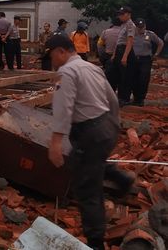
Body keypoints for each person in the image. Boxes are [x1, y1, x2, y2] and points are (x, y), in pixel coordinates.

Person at [45, 34, 135, 250]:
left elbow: (63, 108)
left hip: (90, 132)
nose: (51, 62)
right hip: (106, 125)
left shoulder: (66, 72)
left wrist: (56, 142)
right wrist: (114, 124)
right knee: (88, 161)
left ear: (60, 51)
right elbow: (112, 98)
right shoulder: (90, 67)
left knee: (87, 187)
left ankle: (96, 242)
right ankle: (122, 179)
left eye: (51, 56)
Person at [131, 18, 164, 106]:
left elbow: (160, 43)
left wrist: (156, 54)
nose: (141, 29)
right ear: (135, 27)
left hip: (145, 59)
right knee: (134, 78)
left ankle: (141, 99)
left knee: (143, 79)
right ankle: (135, 98)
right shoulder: (131, 34)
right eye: (139, 27)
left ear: (145, 26)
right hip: (133, 59)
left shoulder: (150, 34)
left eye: (142, 27)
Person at [112, 6, 136, 107]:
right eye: (119, 14)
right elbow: (118, 41)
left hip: (125, 51)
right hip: (119, 50)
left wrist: (125, 56)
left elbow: (130, 41)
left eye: (122, 14)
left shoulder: (130, 25)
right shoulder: (123, 25)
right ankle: (119, 97)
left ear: (128, 14)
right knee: (117, 75)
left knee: (125, 76)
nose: (119, 16)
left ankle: (124, 98)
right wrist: (114, 54)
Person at [98, 18, 122, 91]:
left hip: (108, 56)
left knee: (109, 77)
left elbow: (99, 45)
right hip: (121, 57)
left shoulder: (105, 32)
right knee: (121, 76)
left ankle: (110, 93)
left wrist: (102, 55)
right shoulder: (124, 32)